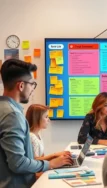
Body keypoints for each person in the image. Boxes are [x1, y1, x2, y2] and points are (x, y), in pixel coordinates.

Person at [0, 59, 72, 188]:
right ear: (21, 86)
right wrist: (51, 164)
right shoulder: (12, 115)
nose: (33, 88)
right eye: (32, 84)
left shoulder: (4, 108)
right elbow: (18, 163)